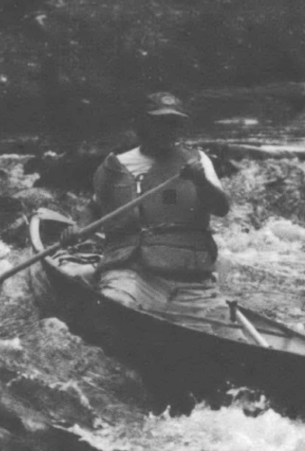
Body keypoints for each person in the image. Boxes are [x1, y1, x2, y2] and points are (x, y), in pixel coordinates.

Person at [61, 92, 232, 326]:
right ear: (142, 124)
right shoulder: (118, 165)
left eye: (174, 123)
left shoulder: (198, 161)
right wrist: (78, 228)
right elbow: (96, 207)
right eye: (160, 122)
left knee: (225, 328)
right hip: (133, 272)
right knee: (114, 306)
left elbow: (221, 208)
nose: (167, 129)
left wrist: (201, 180)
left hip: (191, 278)